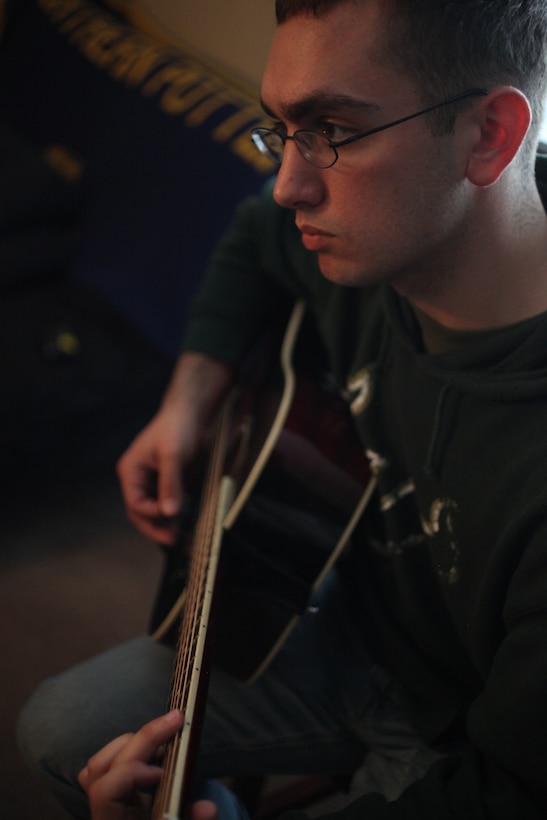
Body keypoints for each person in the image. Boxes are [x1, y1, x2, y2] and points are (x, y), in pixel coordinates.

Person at [17, 0, 547, 819]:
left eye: (332, 128)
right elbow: (252, 235)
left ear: (487, 135)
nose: (289, 183)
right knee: (61, 725)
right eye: (284, 130)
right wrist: (187, 400)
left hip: (464, 739)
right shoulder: (366, 240)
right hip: (349, 627)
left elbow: (509, 788)